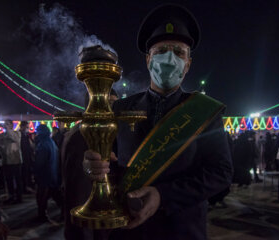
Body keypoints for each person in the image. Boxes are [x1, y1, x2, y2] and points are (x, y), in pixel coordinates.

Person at [83, 4, 233, 240]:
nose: (169, 58)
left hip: (182, 230)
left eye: (179, 52)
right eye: (161, 50)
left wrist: (163, 195)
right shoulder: (120, 109)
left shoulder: (205, 112)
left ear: (188, 64)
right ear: (148, 59)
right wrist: (92, 167)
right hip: (127, 229)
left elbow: (221, 173)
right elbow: (105, 161)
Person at [62, 90, 119, 240]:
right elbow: (78, 195)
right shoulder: (83, 136)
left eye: (115, 104)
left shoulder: (102, 133)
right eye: (110, 103)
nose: (113, 110)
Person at [34, 124, 62, 221]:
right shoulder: (51, 142)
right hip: (52, 175)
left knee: (42, 198)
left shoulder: (43, 144)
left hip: (44, 175)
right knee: (55, 196)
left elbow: (40, 162)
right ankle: (65, 213)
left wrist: (35, 174)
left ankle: (42, 216)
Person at [0, 119, 23, 204]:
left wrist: (8, 129)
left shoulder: (17, 133)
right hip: (6, 161)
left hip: (15, 161)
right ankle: (11, 196)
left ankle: (18, 197)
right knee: (9, 180)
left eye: (7, 124)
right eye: (4, 124)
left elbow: (15, 139)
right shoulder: (4, 135)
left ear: (11, 125)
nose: (5, 125)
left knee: (17, 180)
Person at [20, 121, 34, 193]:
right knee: (24, 173)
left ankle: (28, 187)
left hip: (27, 157)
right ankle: (25, 188)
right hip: (23, 157)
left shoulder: (26, 135)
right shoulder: (20, 135)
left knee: (28, 172)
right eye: (27, 127)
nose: (28, 128)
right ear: (22, 127)